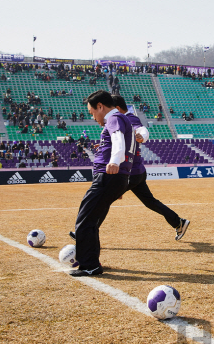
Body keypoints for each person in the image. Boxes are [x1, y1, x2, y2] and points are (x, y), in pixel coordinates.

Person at [70, 95, 189, 242]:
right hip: (137, 170)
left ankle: (85, 232)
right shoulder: (121, 119)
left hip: (130, 171)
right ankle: (178, 222)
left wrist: (142, 136)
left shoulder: (125, 118)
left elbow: (143, 130)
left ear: (117, 108)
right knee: (149, 201)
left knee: (103, 199)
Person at [70, 90, 134, 277]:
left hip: (108, 176)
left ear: (100, 106)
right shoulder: (122, 119)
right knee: (92, 220)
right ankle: (91, 261)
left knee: (85, 220)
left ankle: (89, 265)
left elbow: (118, 140)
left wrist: (114, 160)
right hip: (116, 178)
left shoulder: (113, 118)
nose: (93, 117)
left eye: (92, 112)